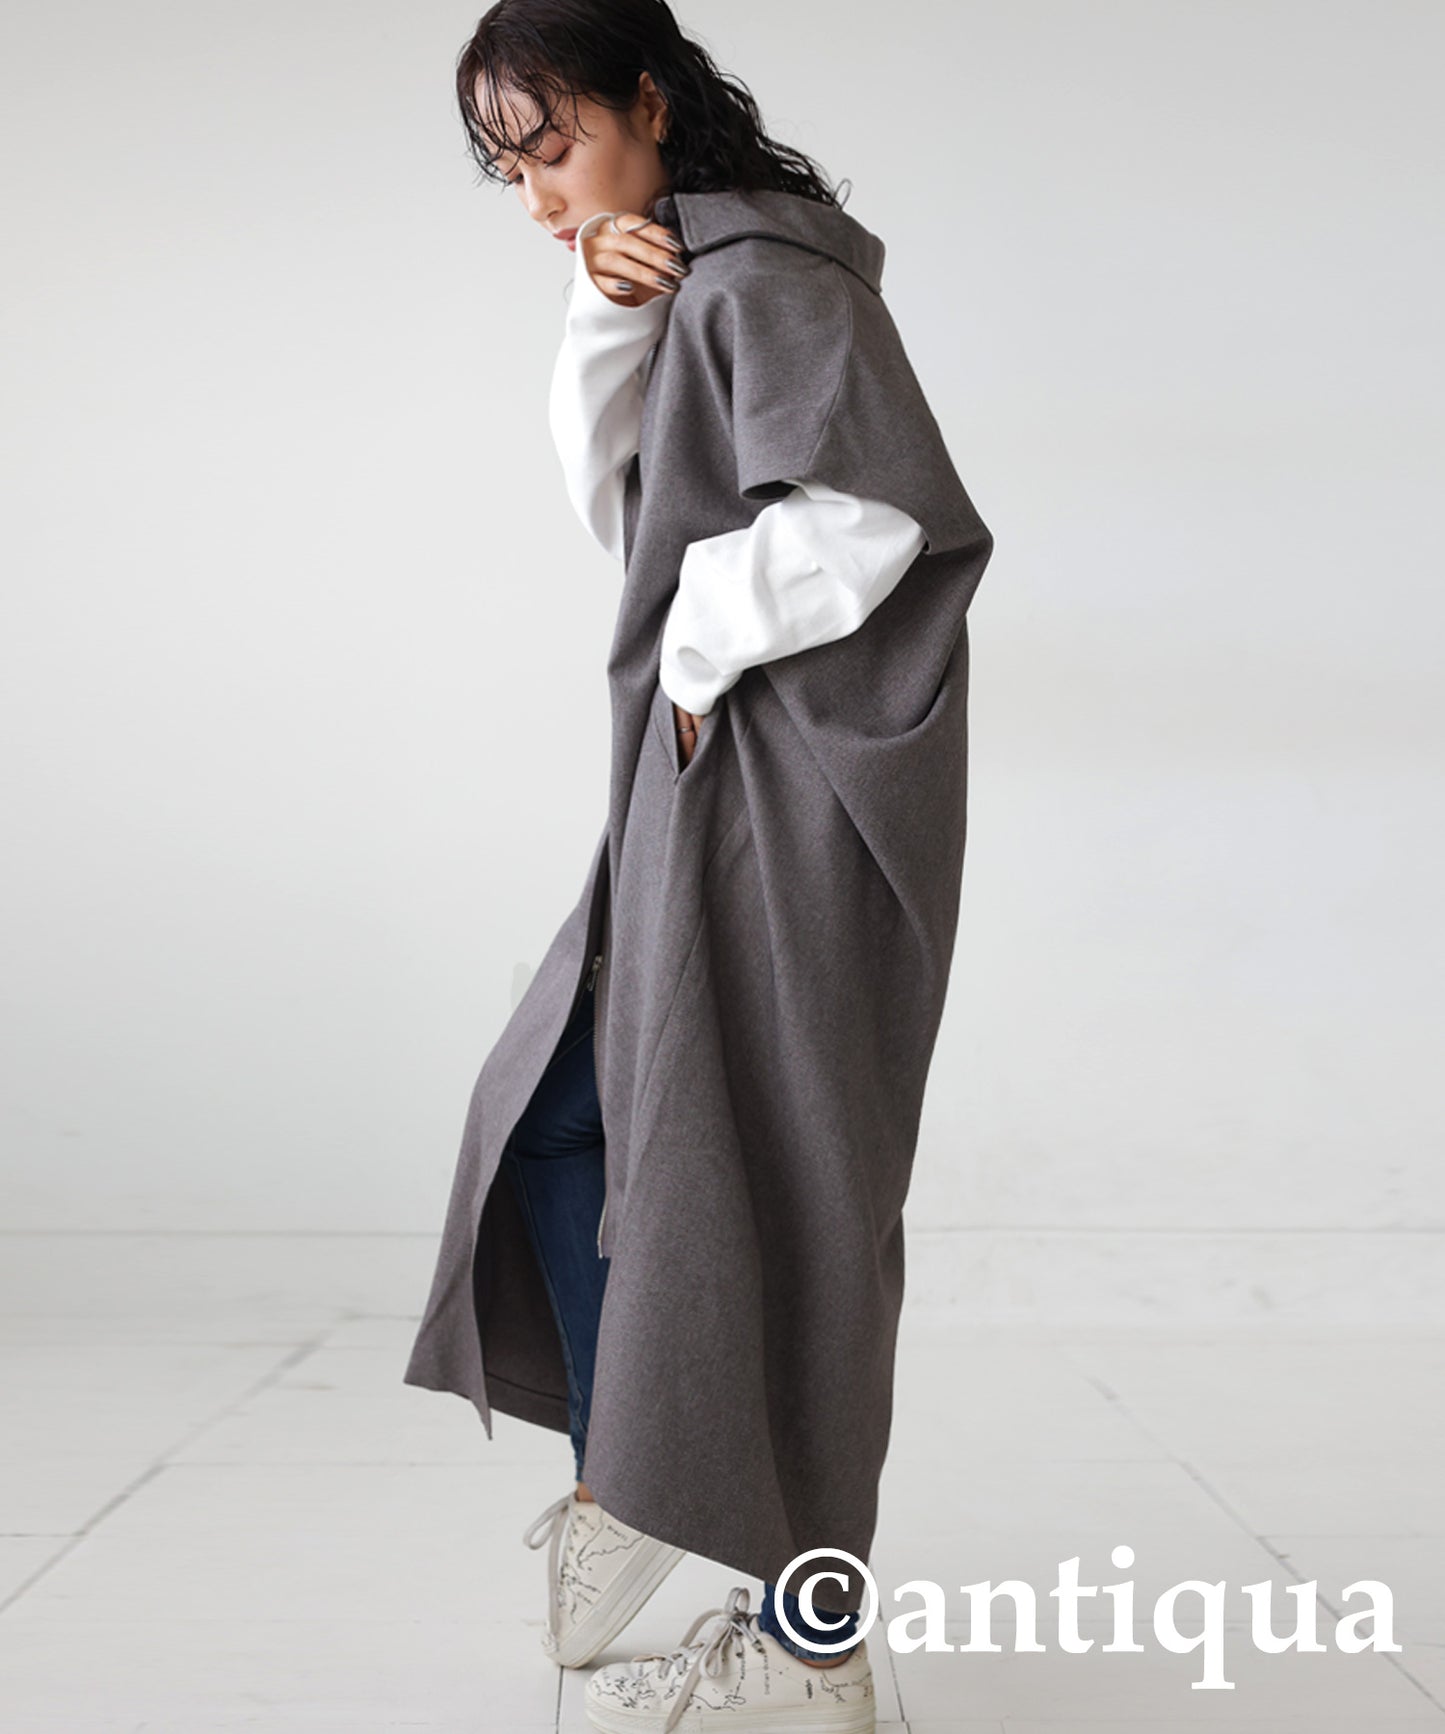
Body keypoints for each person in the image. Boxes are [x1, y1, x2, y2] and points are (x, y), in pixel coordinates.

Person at [403, 4, 995, 1729]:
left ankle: (812, 1650)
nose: (538, 197)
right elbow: (629, 515)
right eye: (508, 171)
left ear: (648, 103)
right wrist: (601, 314)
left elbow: (875, 518)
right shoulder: (693, 276)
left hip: (793, 804)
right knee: (569, 1116)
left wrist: (691, 648)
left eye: (556, 147)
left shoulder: (768, 279)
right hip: (711, 782)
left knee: (789, 1191)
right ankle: (637, 1490)